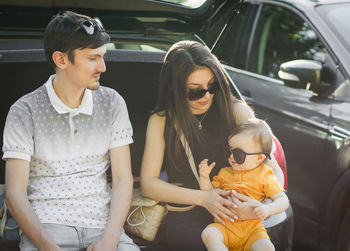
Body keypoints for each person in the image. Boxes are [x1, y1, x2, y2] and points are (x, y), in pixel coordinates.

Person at [2, 11, 139, 251]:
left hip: (104, 226)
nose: (103, 67)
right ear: (61, 60)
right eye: (92, 58)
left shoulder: (112, 102)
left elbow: (122, 178)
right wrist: (46, 246)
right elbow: (14, 193)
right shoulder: (24, 111)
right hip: (46, 228)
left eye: (103, 56)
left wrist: (110, 238)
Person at [140, 40, 284, 251]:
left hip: (238, 213)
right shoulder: (161, 120)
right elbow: (149, 184)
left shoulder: (237, 111)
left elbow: (274, 172)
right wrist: (204, 198)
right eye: (194, 91)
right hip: (187, 211)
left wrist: (263, 207)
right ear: (174, 87)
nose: (206, 95)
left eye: (212, 86)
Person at [199, 119, 289, 251]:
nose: (231, 157)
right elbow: (209, 195)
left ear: (259, 158)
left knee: (267, 248)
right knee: (208, 234)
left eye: (238, 154)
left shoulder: (265, 175)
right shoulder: (224, 173)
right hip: (225, 228)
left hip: (252, 232)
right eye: (230, 151)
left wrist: (268, 209)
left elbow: (283, 201)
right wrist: (204, 177)